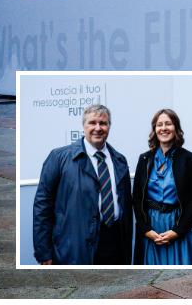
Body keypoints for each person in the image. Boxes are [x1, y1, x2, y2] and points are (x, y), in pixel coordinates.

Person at [33, 104, 133, 265]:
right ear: (84, 126)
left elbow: (126, 207)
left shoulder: (119, 160)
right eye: (92, 123)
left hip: (114, 244)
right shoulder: (59, 157)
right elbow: (42, 206)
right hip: (75, 247)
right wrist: (43, 252)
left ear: (109, 126)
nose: (98, 128)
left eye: (103, 123)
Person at [133, 108, 192, 265]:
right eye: (159, 124)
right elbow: (137, 198)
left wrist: (177, 231)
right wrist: (146, 230)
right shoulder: (144, 159)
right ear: (154, 130)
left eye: (168, 124)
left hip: (178, 225)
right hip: (151, 227)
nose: (164, 128)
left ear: (176, 128)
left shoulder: (189, 159)